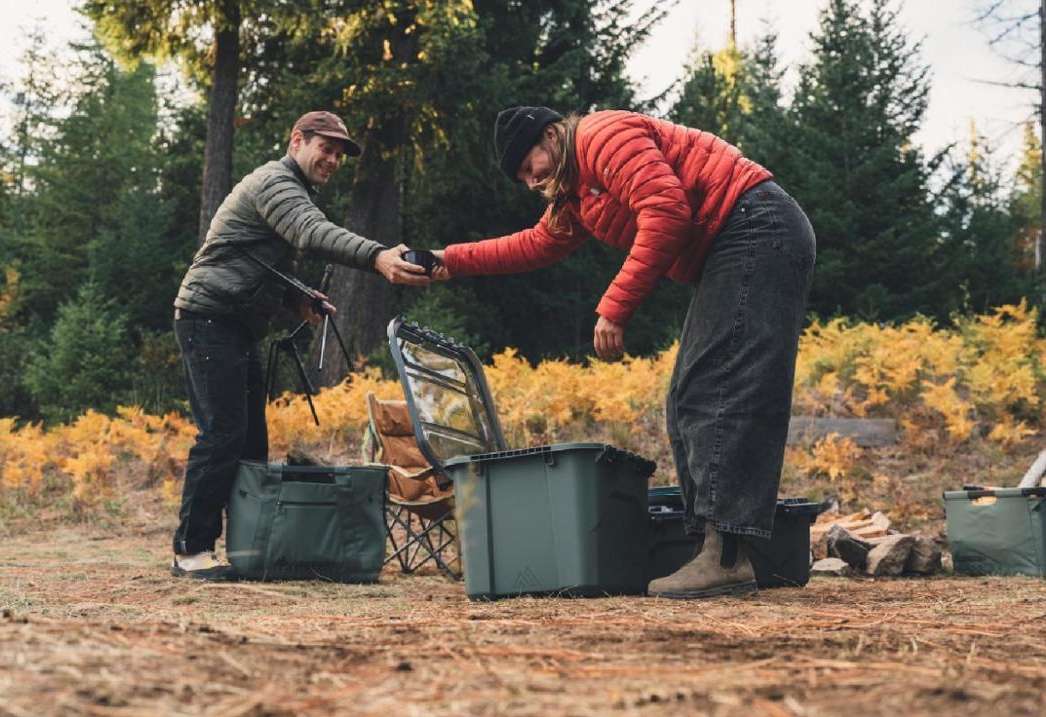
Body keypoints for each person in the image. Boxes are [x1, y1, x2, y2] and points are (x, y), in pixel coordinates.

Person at [431, 106, 815, 599]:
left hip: (755, 225)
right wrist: (449, 260)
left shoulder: (600, 136)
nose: (531, 182)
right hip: (739, 237)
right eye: (523, 178)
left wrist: (615, 308)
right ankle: (715, 550)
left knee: (717, 389)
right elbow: (534, 244)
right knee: (688, 396)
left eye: (529, 166)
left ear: (551, 135)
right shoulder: (576, 195)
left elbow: (666, 209)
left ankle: (726, 558)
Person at [171, 110, 429, 580]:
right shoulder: (276, 182)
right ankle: (191, 550)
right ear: (297, 142)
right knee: (222, 434)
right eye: (325, 148)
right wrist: (376, 256)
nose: (332, 160)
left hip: (234, 325)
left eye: (338, 154)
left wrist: (298, 298)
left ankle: (245, 547)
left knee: (251, 443)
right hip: (209, 317)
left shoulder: (294, 190)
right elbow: (312, 233)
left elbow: (260, 261)